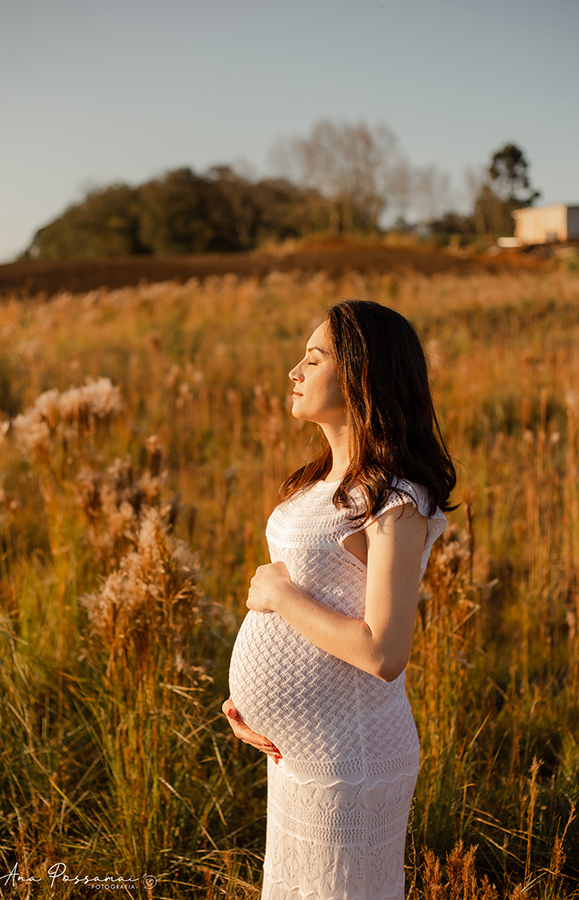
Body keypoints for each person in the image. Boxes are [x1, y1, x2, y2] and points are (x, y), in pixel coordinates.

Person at [223, 299, 456, 900]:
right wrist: (250, 703)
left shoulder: (394, 500)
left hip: (351, 761)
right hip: (299, 756)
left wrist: (278, 595)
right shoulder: (314, 487)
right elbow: (314, 608)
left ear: (361, 376)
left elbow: (382, 651)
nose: (294, 372)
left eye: (314, 357)